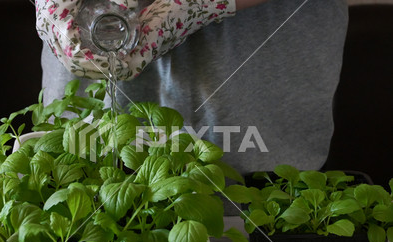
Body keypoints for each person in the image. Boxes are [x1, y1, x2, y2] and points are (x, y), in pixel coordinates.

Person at [37, 0, 348, 214]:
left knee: (249, 226)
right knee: (76, 195)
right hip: (92, 31)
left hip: (249, 61)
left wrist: (196, 4)